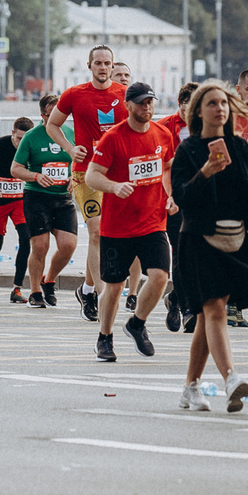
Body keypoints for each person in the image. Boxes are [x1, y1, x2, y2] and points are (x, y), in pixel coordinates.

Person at [171, 79, 248, 412]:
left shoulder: (239, 148)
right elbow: (182, 197)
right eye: (212, 103)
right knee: (214, 309)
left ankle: (190, 387)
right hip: (198, 240)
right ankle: (230, 379)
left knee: (207, 315)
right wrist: (206, 172)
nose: (220, 108)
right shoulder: (189, 150)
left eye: (224, 103)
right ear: (199, 110)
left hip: (235, 239)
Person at [85, 80, 175, 363]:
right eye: (141, 103)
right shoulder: (113, 137)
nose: (146, 107)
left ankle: (137, 323)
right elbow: (92, 176)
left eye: (150, 102)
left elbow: (168, 168)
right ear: (128, 106)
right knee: (114, 285)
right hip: (118, 227)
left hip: (152, 222)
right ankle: (105, 337)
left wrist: (171, 196)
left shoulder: (162, 134)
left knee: (160, 276)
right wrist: (113, 186)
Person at [56, 48, 129, 321]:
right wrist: (69, 148)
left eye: (107, 64)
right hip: (85, 173)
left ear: (112, 67)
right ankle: (100, 296)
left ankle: (86, 289)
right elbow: (54, 125)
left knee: (109, 233)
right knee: (97, 231)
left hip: (116, 173)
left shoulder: (124, 94)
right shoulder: (74, 94)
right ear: (89, 65)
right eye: (98, 63)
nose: (103, 67)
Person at [18, 95, 78, 308]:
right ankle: (34, 291)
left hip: (63, 197)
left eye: (60, 113)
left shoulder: (71, 134)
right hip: (37, 197)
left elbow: (80, 161)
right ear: (42, 115)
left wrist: (74, 176)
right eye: (50, 114)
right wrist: (35, 176)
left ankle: (49, 280)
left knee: (68, 245)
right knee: (40, 246)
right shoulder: (32, 137)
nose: (56, 118)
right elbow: (15, 168)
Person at [0, 114, 30, 295]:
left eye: (26, 139)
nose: (22, 143)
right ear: (12, 133)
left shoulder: (31, 147)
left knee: (26, 240)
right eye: (19, 138)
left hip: (20, 201)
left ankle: (17, 288)